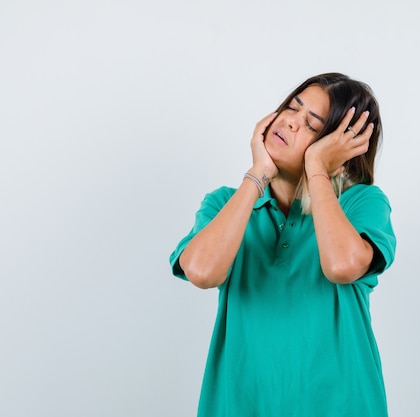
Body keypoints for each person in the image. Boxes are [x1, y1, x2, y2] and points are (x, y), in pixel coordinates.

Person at [169, 72, 396, 417]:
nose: (290, 121)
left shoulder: (362, 204)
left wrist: (317, 168)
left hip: (341, 405)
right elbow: (201, 272)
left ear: (336, 147)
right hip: (241, 405)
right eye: (292, 106)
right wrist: (257, 175)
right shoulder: (225, 204)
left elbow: (342, 265)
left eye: (311, 124)